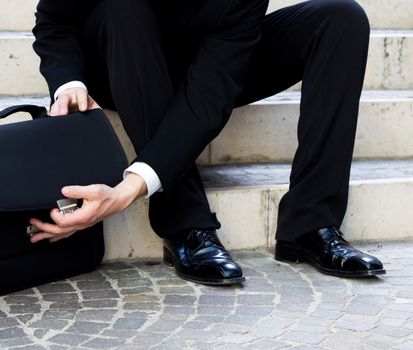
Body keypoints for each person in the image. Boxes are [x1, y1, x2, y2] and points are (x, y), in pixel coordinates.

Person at [29, 0, 385, 285]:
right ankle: (186, 221)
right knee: (124, 8)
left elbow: (207, 96)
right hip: (122, 53)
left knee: (341, 18)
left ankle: (310, 223)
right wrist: (69, 82)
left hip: (210, 61)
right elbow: (53, 22)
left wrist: (125, 191)